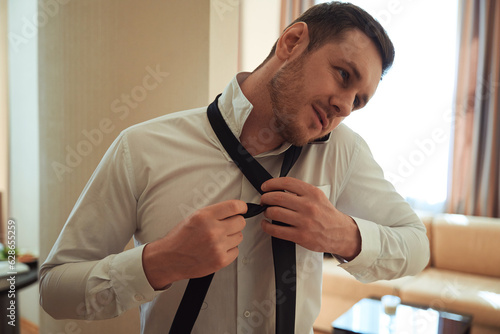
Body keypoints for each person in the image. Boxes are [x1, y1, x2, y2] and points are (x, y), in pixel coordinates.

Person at [39, 2, 430, 333]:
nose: (345, 106)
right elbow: (54, 291)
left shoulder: (342, 152)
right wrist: (160, 262)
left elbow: (416, 246)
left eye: (358, 101)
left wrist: (342, 234)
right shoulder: (141, 148)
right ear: (292, 42)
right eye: (343, 75)